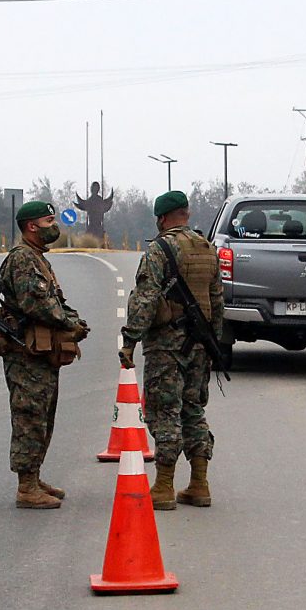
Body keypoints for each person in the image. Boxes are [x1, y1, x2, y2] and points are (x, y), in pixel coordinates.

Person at [118, 191, 224, 510]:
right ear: (186, 214)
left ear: (161, 218)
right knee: (193, 409)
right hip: (200, 344)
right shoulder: (207, 248)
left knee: (165, 410)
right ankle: (199, 484)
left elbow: (145, 299)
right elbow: (217, 299)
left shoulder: (159, 249)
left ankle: (164, 486)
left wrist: (129, 341)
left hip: (166, 345)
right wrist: (214, 343)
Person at [0, 201, 89, 509]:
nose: (55, 226)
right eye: (49, 221)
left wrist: (73, 319)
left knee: (43, 416)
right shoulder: (23, 259)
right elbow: (36, 304)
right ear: (31, 227)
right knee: (29, 416)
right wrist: (68, 323)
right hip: (25, 354)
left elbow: (54, 300)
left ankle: (34, 477)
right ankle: (26, 486)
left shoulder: (37, 258)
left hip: (40, 353)